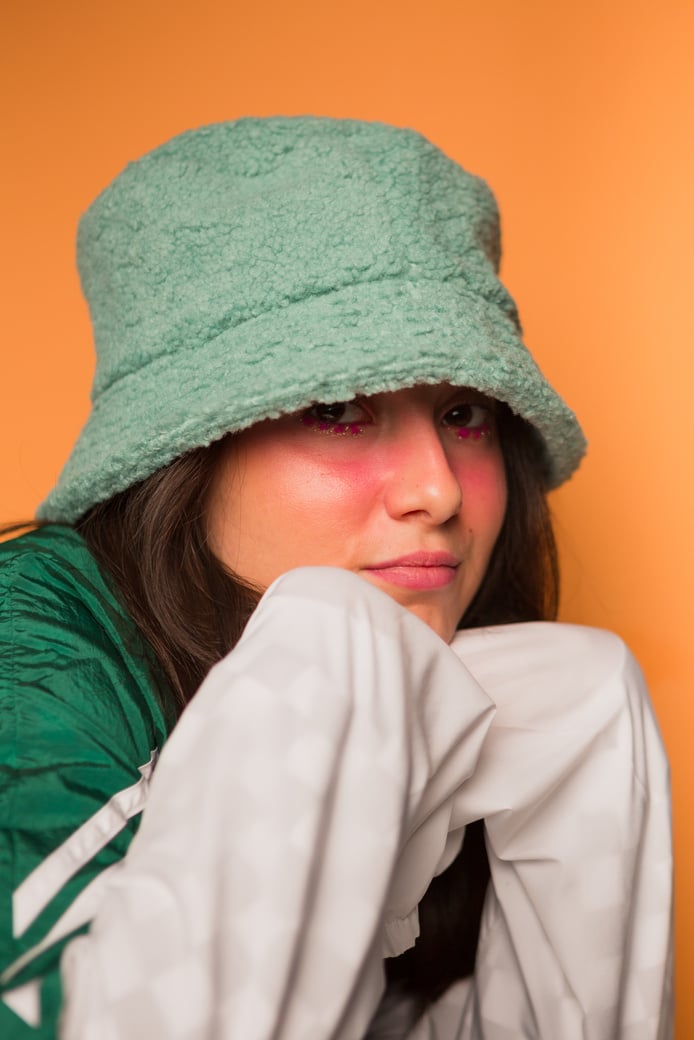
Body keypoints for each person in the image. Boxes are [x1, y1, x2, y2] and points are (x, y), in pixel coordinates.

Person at [0, 117, 672, 1039]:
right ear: (184, 453)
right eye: (336, 408)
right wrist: (331, 665)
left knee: (584, 689)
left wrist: (572, 736)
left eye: (464, 411)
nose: (438, 490)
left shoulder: (467, 716)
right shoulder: (31, 652)